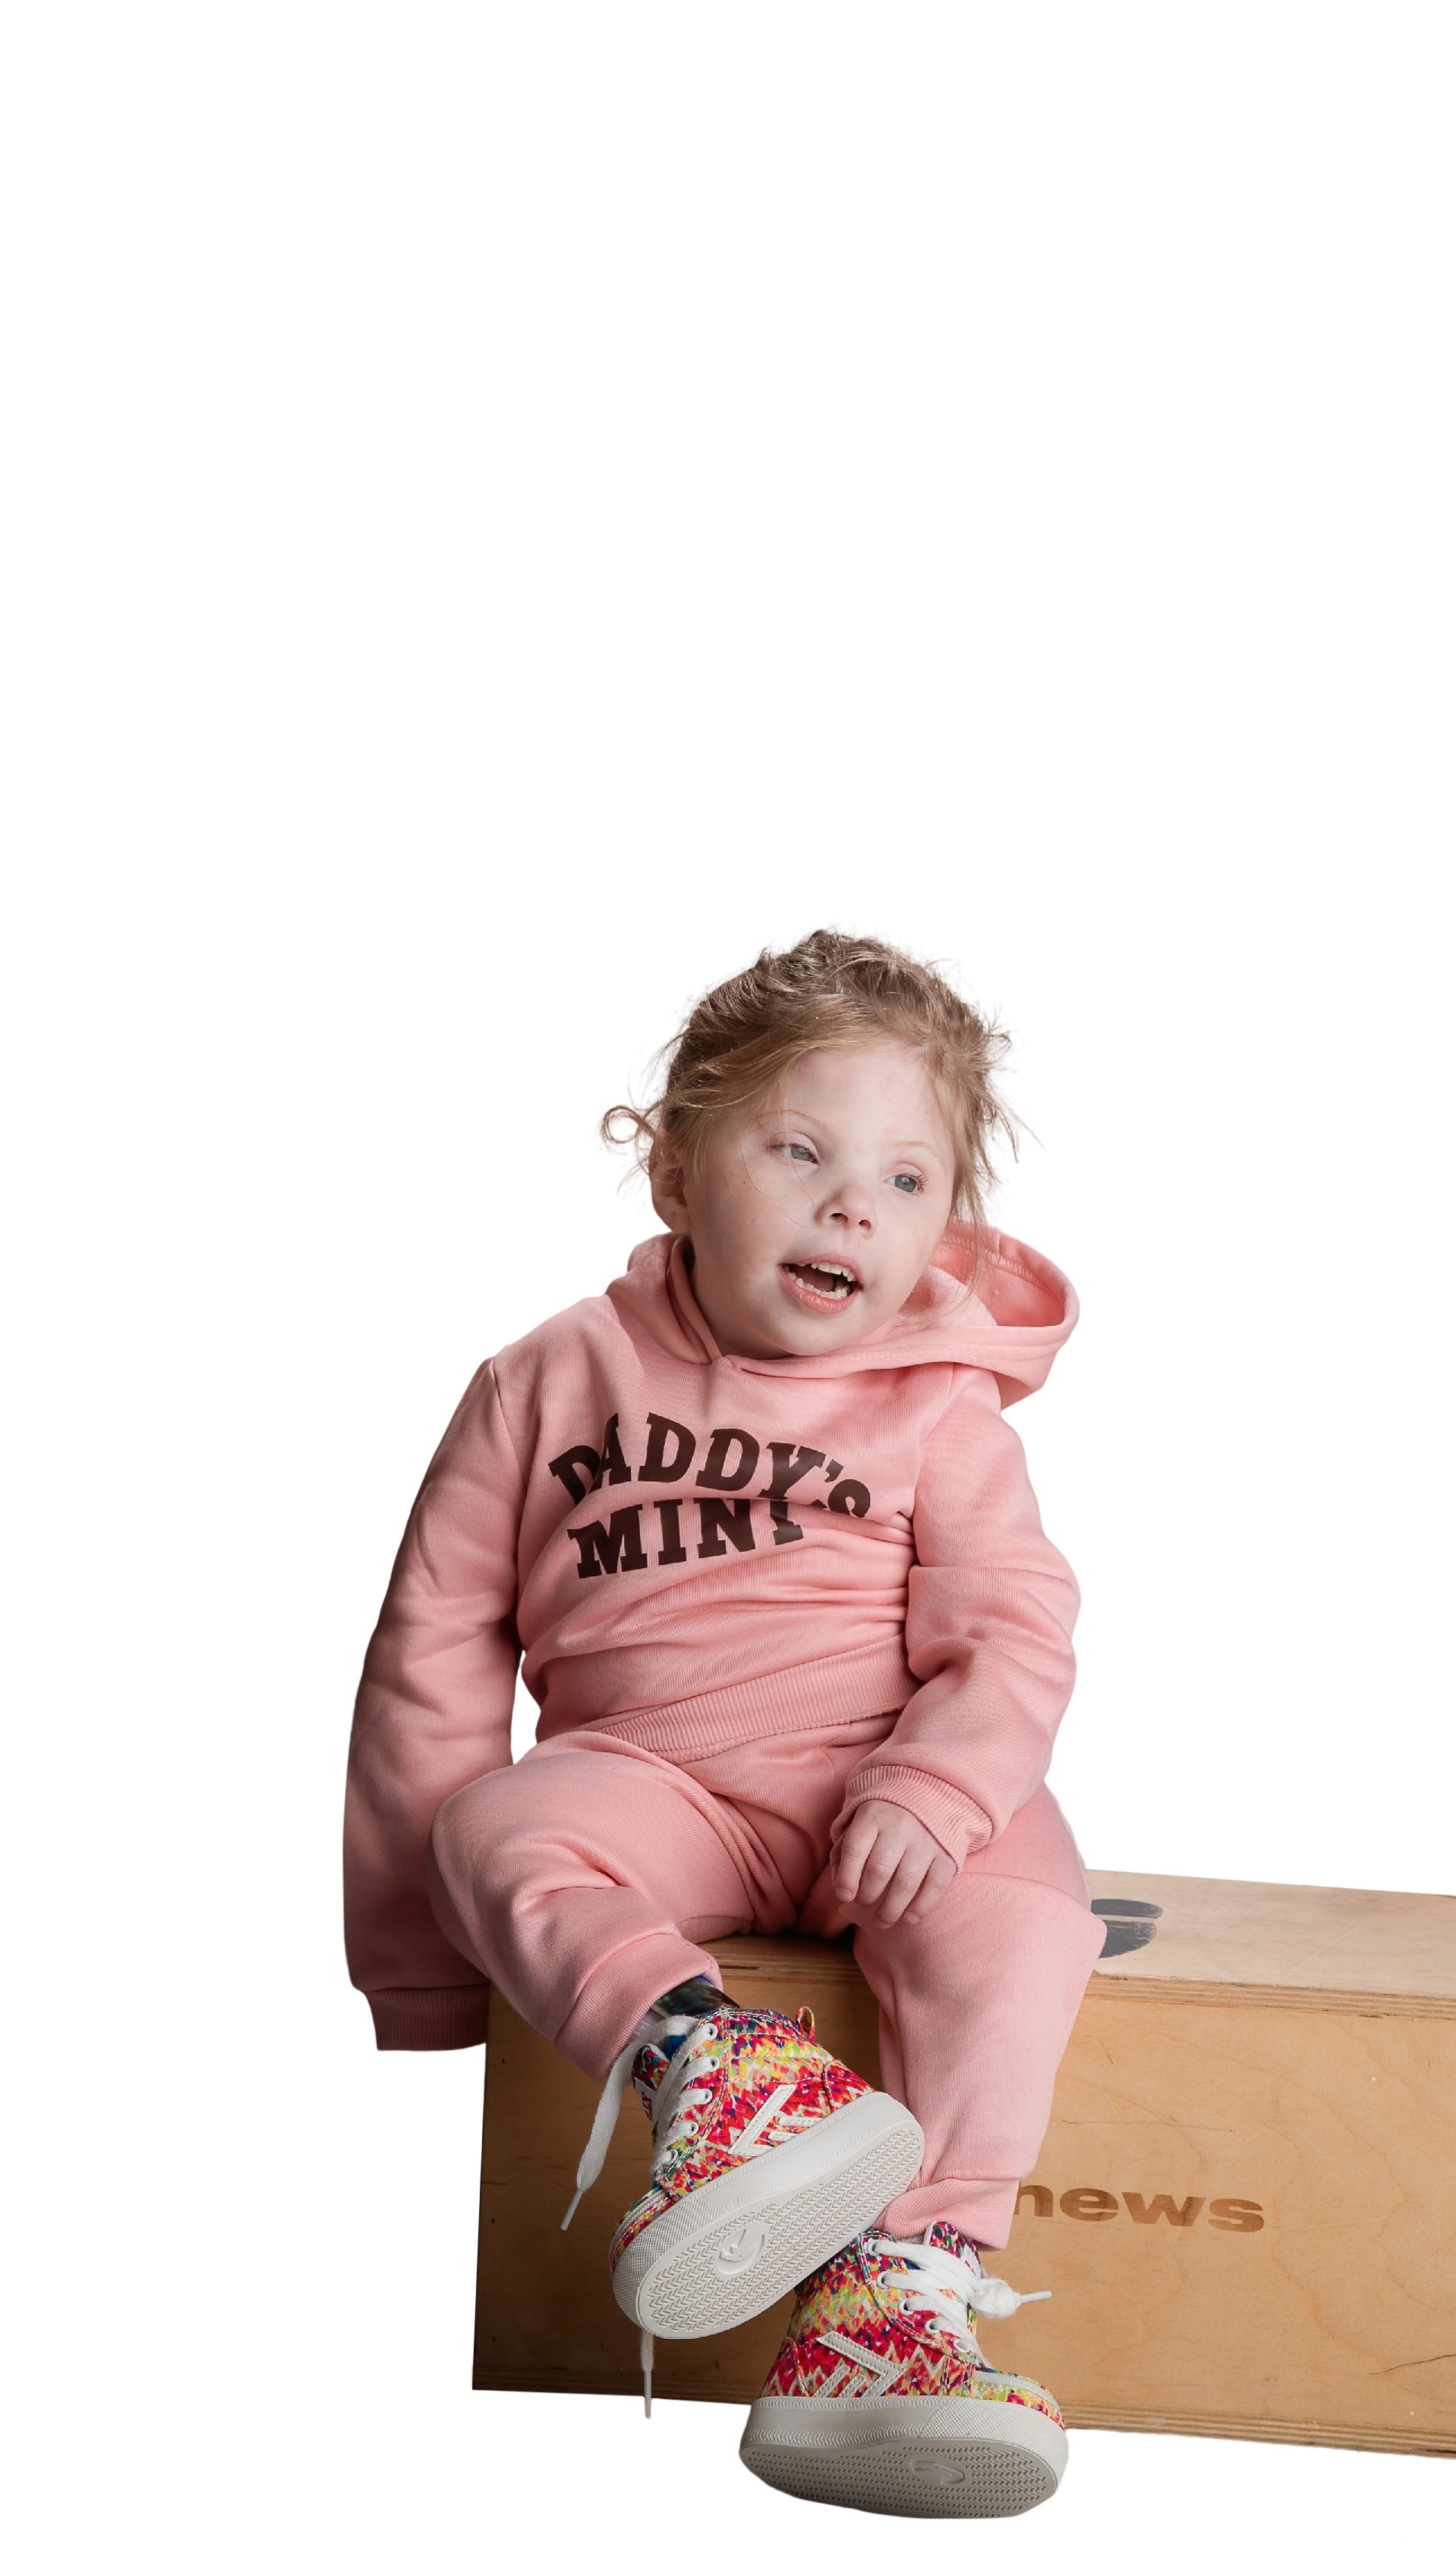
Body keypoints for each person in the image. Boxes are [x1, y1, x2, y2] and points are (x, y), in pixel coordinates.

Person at [342, 921, 1107, 2521]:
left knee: (1025, 1919)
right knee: (494, 1822)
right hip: (652, 1782)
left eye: (907, 1178)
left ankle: (896, 2298)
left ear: (949, 1222)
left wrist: (943, 1787)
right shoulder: (546, 1378)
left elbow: (1013, 1626)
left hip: (883, 1791)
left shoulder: (940, 1402)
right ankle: (722, 2069)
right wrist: (424, 1978)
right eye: (800, 1151)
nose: (853, 1205)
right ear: (674, 1161)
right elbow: (432, 1656)